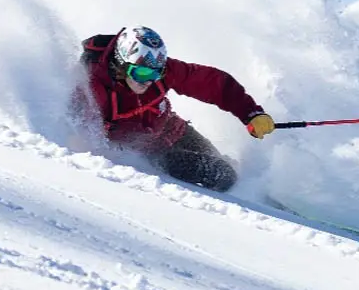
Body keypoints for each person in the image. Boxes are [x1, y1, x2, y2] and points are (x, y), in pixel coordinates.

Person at [72, 26, 276, 192]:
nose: (149, 81)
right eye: (142, 73)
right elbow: (80, 133)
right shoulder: (93, 88)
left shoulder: (162, 72)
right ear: (121, 64)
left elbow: (214, 84)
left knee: (224, 164)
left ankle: (252, 195)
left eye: (155, 74)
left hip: (175, 131)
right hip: (153, 154)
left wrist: (251, 113)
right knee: (223, 175)